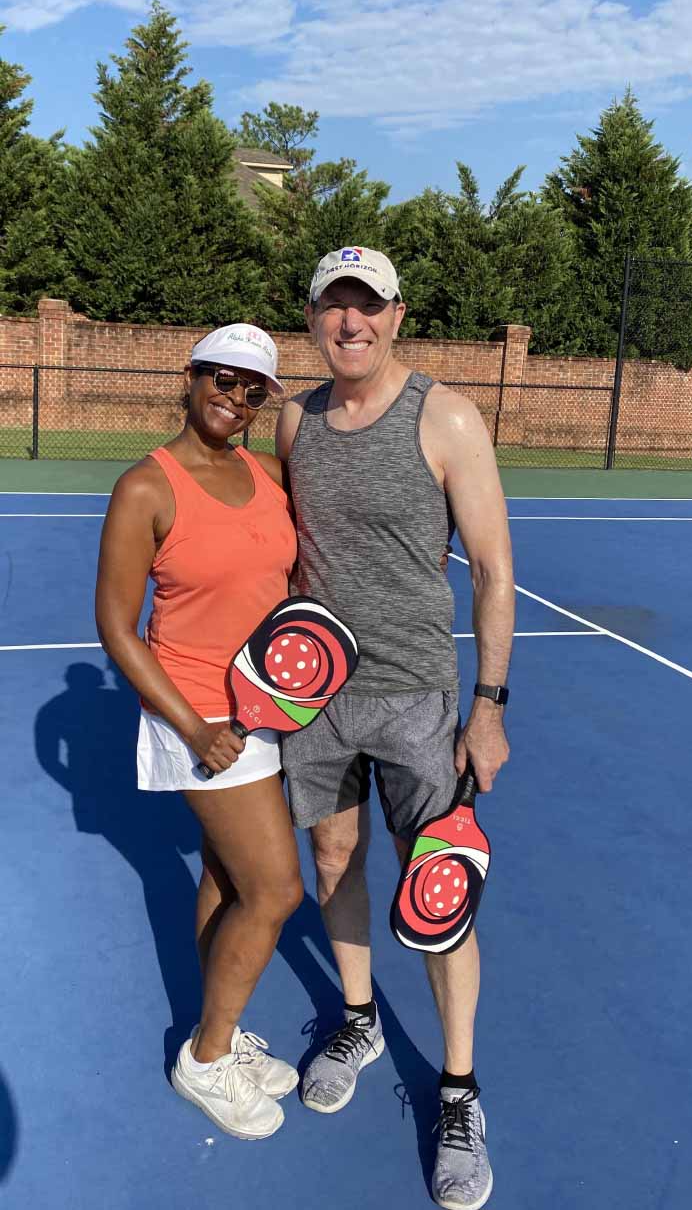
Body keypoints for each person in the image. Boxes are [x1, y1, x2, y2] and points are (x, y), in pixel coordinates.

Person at [276, 248, 514, 1210]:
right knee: (334, 861)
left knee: (439, 892)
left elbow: (494, 570)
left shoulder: (445, 416)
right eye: (334, 306)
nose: (351, 322)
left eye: (367, 306)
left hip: (419, 699)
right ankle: (360, 1017)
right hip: (317, 700)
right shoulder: (293, 420)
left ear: (397, 315)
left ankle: (458, 1090)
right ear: (312, 320)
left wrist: (488, 705)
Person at [95, 324, 304, 1141]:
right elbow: (117, 627)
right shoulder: (146, 486)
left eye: (254, 389)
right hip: (198, 719)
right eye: (222, 378)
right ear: (190, 377)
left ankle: (221, 1024)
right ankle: (207, 1058)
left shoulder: (268, 474)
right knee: (276, 890)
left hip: (264, 712)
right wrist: (193, 728)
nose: (235, 397)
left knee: (226, 872)